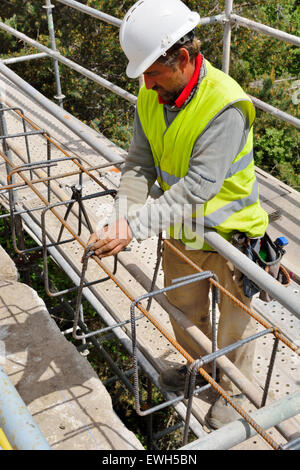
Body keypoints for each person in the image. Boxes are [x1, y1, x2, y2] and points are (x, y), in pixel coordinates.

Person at [88, 0, 269, 429]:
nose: (146, 84)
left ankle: (230, 390)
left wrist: (134, 226)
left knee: (234, 329)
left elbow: (197, 190)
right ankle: (199, 370)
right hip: (182, 231)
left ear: (183, 58)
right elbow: (138, 163)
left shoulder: (225, 105)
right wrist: (122, 216)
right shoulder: (152, 94)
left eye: (152, 72)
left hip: (231, 237)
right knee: (185, 312)